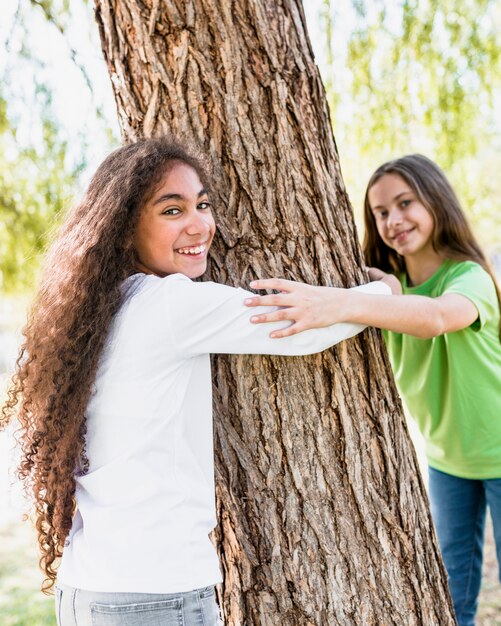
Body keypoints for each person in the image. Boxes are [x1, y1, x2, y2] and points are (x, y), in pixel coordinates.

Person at [0, 137, 392, 626]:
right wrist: (386, 291)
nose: (199, 224)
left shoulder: (99, 312)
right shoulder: (169, 304)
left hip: (90, 590)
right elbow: (304, 328)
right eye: (172, 210)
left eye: (202, 204)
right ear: (125, 229)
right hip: (154, 596)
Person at [245, 154, 501, 626]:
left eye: (405, 203)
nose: (393, 220)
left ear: (436, 201)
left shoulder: (470, 277)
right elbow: (405, 307)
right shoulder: (389, 291)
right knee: (452, 597)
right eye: (381, 212)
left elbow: (437, 318)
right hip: (448, 462)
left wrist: (342, 302)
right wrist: (382, 291)